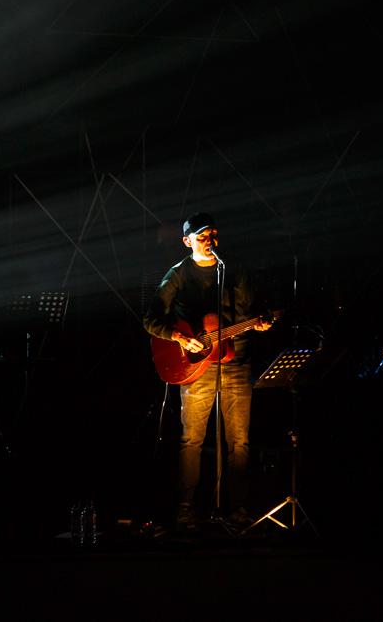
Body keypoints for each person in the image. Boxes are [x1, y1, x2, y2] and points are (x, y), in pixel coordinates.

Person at [143, 212, 272, 531]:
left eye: (213, 234)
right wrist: (179, 337)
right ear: (187, 241)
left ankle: (238, 509)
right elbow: (151, 318)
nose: (210, 240)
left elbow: (251, 311)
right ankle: (186, 509)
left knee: (239, 441)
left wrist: (260, 322)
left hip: (236, 360)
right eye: (202, 236)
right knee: (192, 440)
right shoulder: (178, 274)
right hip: (196, 367)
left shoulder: (234, 270)